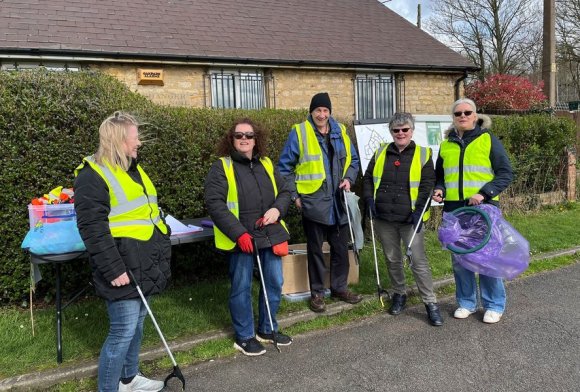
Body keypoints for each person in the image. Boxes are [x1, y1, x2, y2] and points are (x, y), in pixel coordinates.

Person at [74, 111, 171, 392]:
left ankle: (129, 378)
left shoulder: (132, 168)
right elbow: (92, 228)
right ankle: (109, 388)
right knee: (122, 331)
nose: (139, 142)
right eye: (134, 137)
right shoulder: (92, 175)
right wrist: (113, 269)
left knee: (137, 326)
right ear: (118, 140)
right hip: (121, 264)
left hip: (143, 260)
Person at [205, 118, 293, 356]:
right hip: (241, 238)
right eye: (239, 135)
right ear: (231, 140)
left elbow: (285, 191)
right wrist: (238, 233)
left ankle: (267, 329)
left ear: (256, 139)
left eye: (249, 135)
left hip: (269, 233)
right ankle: (244, 336)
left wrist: (277, 210)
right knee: (241, 287)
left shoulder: (266, 163)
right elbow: (214, 204)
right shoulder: (221, 167)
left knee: (274, 283)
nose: (244, 139)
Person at [278, 92, 362, 313]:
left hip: (338, 200)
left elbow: (353, 160)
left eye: (325, 110)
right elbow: (284, 169)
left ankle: (339, 288)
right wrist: (295, 196)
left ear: (329, 112)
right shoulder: (299, 132)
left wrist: (349, 179)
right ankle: (317, 293)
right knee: (315, 249)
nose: (322, 115)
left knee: (340, 248)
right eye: (318, 110)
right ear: (311, 112)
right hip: (313, 201)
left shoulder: (341, 131)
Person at [432, 98, 513, 324]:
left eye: (468, 112)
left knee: (486, 257)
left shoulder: (488, 140)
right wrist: (439, 189)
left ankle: (494, 305)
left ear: (476, 116)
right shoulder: (446, 144)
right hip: (454, 210)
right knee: (460, 259)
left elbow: (506, 173)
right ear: (453, 118)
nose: (463, 116)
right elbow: (440, 175)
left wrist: (484, 193)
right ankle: (466, 302)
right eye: (458, 114)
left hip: (483, 209)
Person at [362, 112, 443, 326]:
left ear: (411, 130)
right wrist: (369, 199)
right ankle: (400, 293)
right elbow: (368, 177)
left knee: (418, 262)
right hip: (384, 217)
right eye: (396, 130)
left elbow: (427, 186)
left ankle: (430, 302)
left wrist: (418, 212)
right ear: (391, 132)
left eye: (405, 129)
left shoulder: (424, 154)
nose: (400, 133)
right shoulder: (381, 152)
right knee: (392, 258)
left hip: (411, 220)